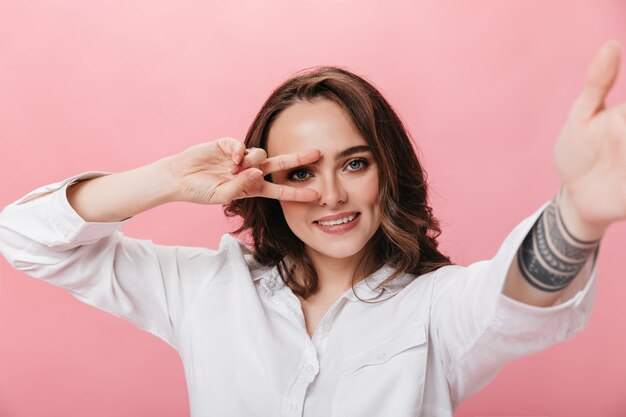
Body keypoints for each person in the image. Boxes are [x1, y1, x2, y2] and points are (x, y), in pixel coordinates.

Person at [0, 40, 622, 416]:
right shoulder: (206, 290)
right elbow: (25, 237)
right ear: (264, 182)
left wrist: (577, 214)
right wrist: (167, 177)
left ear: (388, 169)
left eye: (355, 163)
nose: (330, 194)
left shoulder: (437, 307)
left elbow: (518, 300)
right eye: (300, 172)